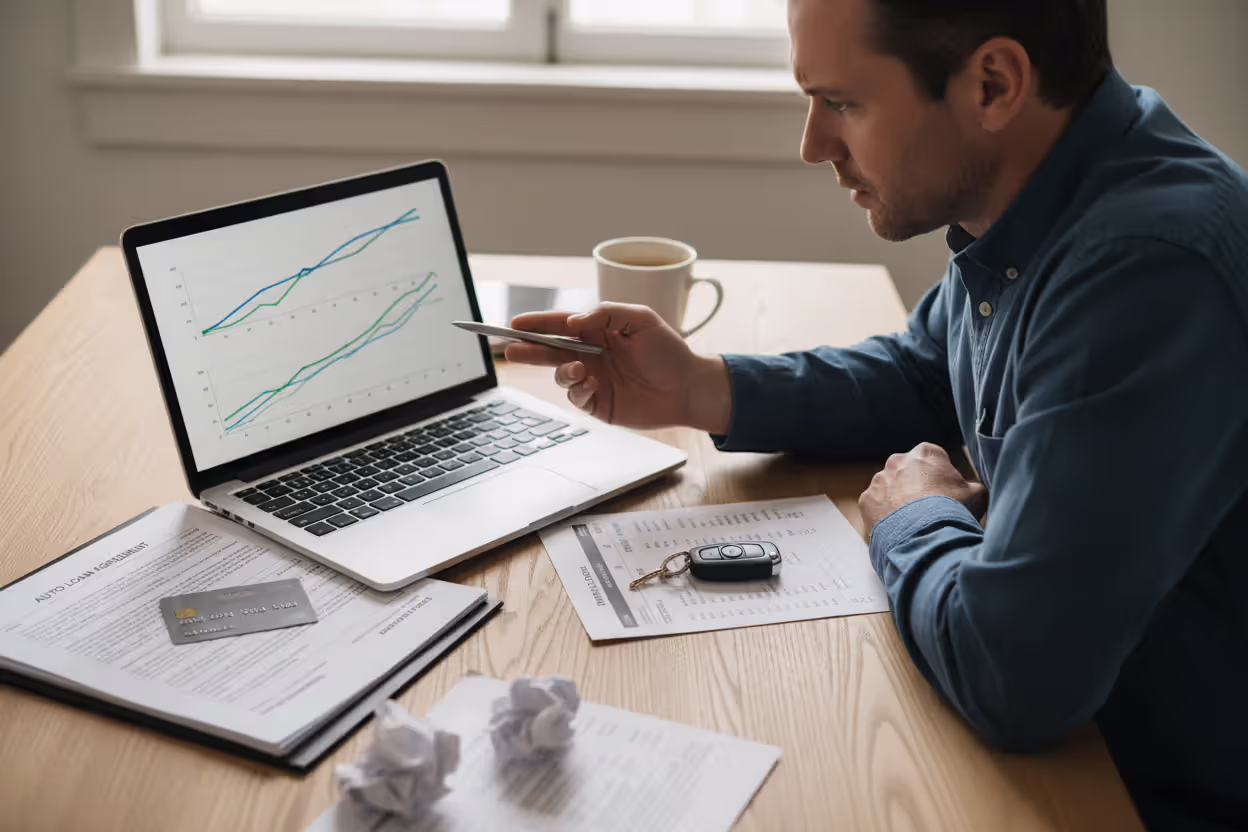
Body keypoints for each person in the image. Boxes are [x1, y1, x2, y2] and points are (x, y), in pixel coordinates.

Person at [507, 0, 1248, 828]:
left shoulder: (1143, 273)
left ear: (993, 84)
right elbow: (928, 372)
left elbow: (1014, 675)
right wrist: (700, 388)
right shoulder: (1048, 192)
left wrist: (912, 515)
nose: (813, 144)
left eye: (842, 102)